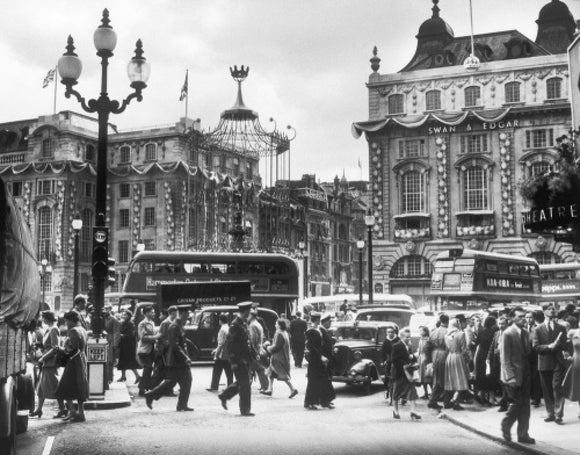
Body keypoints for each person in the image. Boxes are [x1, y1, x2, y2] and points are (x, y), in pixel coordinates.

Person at [145, 305, 194, 411]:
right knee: (181, 381)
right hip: (176, 360)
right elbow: (174, 345)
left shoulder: (179, 325)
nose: (188, 316)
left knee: (176, 382)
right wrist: (185, 357)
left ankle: (152, 396)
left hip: (178, 360)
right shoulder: (174, 326)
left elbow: (183, 342)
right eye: (187, 314)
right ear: (181, 314)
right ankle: (180, 404)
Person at [500, 307, 535, 444]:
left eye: (524, 316)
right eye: (520, 317)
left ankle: (523, 434)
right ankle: (506, 424)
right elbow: (505, 358)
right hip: (513, 375)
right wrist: (510, 377)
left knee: (525, 405)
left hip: (525, 373)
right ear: (512, 318)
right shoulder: (507, 333)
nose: (523, 319)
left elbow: (527, 352)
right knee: (516, 404)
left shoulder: (525, 333)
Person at [532, 302, 568, 424]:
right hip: (544, 362)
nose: (552, 311)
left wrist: (558, 345)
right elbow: (536, 347)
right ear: (544, 312)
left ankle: (558, 414)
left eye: (554, 309)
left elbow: (564, 345)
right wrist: (549, 346)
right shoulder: (537, 329)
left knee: (557, 387)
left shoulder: (561, 328)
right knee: (546, 390)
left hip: (558, 362)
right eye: (549, 309)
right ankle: (550, 413)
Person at [218, 301, 255, 416]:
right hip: (238, 360)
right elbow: (230, 345)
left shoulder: (242, 323)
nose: (249, 314)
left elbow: (246, 341)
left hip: (244, 358)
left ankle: (224, 395)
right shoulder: (235, 325)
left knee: (243, 382)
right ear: (244, 311)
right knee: (245, 384)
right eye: (248, 312)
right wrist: (233, 361)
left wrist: (252, 355)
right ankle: (245, 410)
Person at [30, 310, 67, 419]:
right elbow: (47, 345)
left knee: (55, 386)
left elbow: (55, 348)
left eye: (44, 317)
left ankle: (63, 408)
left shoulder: (54, 329)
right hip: (47, 363)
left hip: (51, 363)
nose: (42, 319)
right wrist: (39, 345)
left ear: (47, 318)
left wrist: (42, 358)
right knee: (41, 387)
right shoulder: (49, 329)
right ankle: (39, 410)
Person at [55, 310, 89, 423]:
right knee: (80, 387)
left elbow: (70, 350)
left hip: (74, 361)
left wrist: (59, 349)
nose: (66, 323)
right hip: (82, 359)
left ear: (71, 320)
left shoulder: (74, 331)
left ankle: (73, 413)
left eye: (67, 321)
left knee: (65, 387)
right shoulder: (83, 330)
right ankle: (81, 413)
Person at [303, 312, 335, 410]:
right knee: (313, 381)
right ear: (317, 319)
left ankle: (324, 401)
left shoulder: (316, 329)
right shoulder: (312, 330)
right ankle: (310, 402)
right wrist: (321, 356)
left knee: (323, 380)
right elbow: (313, 347)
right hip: (315, 360)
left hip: (318, 359)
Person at [390, 327, 421, 420]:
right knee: (396, 392)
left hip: (408, 373)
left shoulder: (409, 346)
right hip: (399, 373)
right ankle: (395, 410)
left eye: (409, 337)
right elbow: (394, 360)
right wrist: (405, 364)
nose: (409, 339)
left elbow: (410, 357)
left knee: (412, 391)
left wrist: (412, 359)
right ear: (401, 337)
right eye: (407, 337)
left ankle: (413, 411)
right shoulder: (397, 345)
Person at [263, 319, 298, 398]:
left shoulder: (279, 333)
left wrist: (268, 347)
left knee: (283, 375)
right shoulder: (285, 333)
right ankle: (270, 389)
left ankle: (293, 389)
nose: (275, 325)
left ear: (279, 325)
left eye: (276, 324)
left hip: (278, 358)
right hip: (282, 357)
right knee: (271, 373)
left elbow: (276, 346)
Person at [444, 318, 470, 410]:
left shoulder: (446, 335)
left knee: (452, 379)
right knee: (460, 378)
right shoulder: (461, 334)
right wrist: (467, 359)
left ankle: (451, 400)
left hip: (450, 357)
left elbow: (447, 348)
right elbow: (464, 349)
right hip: (458, 357)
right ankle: (456, 399)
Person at [428, 313, 450, 410]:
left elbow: (428, 346)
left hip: (435, 355)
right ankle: (445, 401)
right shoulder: (448, 332)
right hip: (444, 354)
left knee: (437, 379)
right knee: (445, 379)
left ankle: (433, 400)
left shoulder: (433, 331)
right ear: (448, 321)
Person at [137, 306, 160, 396]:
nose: (153, 313)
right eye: (151, 312)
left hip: (152, 349)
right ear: (146, 313)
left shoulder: (152, 323)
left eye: (153, 312)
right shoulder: (142, 324)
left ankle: (147, 386)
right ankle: (141, 388)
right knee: (148, 368)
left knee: (152, 368)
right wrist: (155, 338)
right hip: (144, 350)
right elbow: (143, 338)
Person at [474, 315, 496, 405]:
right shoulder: (494, 333)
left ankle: (481, 395)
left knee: (481, 376)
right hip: (489, 357)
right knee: (490, 376)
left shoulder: (481, 332)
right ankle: (491, 398)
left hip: (480, 356)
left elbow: (476, 343)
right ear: (492, 323)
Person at [207, 313, 233, 391]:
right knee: (229, 371)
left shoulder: (222, 329)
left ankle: (214, 386)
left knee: (217, 371)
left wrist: (216, 354)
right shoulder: (228, 328)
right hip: (227, 352)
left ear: (220, 321)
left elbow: (221, 343)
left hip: (221, 354)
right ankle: (230, 386)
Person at [247, 305, 270, 392]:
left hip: (254, 350)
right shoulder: (258, 324)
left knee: (255, 368)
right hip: (258, 349)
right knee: (258, 368)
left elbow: (253, 339)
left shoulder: (252, 325)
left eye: (248, 315)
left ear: (251, 316)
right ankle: (265, 386)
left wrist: (253, 350)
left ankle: (264, 386)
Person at [117, 310, 141, 384]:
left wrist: (122, 335)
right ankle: (123, 376)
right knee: (122, 361)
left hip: (129, 345)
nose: (124, 316)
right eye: (123, 315)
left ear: (129, 316)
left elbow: (131, 335)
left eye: (125, 315)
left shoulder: (130, 324)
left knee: (130, 362)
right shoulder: (123, 323)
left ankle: (137, 376)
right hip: (123, 344)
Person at [525, 310, 542, 407]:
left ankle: (536, 398)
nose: (528, 319)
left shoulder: (537, 328)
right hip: (525, 357)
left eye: (530, 317)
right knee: (527, 378)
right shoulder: (523, 329)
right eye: (526, 317)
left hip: (535, 356)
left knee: (535, 378)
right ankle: (530, 397)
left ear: (534, 318)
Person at [562, 326, 580, 419]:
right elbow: (563, 345)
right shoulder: (572, 332)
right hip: (577, 361)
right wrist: (567, 356)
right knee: (578, 385)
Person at [381, 325, 400, 404]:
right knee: (386, 377)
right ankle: (387, 390)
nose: (390, 333)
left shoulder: (398, 340)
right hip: (389, 360)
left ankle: (399, 395)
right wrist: (382, 361)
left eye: (392, 332)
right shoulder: (386, 341)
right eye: (388, 332)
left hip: (396, 360)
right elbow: (383, 352)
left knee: (398, 378)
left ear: (394, 332)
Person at [104, 305, 121, 386]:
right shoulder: (103, 318)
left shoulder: (113, 319)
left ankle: (109, 377)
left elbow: (116, 332)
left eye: (107, 309)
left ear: (110, 310)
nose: (105, 310)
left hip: (110, 341)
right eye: (105, 309)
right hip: (104, 340)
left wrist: (115, 344)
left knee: (110, 360)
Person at [416, 326, 433, 399]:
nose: (420, 332)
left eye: (421, 331)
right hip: (421, 359)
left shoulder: (428, 340)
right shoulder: (421, 340)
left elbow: (428, 351)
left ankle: (432, 393)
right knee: (422, 378)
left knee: (428, 377)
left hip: (425, 359)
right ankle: (425, 393)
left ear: (425, 332)